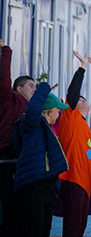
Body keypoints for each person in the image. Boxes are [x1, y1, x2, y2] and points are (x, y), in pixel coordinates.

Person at [57, 51, 91, 237]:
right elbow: (73, 92)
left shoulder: (86, 127)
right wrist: (83, 67)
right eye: (80, 99)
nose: (83, 99)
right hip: (72, 179)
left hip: (86, 183)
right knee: (73, 224)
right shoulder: (69, 116)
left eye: (84, 99)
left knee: (81, 224)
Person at [13, 82, 68, 237]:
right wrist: (44, 87)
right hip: (34, 187)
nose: (59, 114)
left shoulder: (48, 130)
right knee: (34, 230)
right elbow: (33, 110)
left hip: (48, 187)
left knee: (44, 230)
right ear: (49, 112)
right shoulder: (32, 125)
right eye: (57, 110)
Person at [0, 39, 34, 235]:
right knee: (7, 206)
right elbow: (4, 78)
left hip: (23, 163)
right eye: (31, 86)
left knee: (21, 209)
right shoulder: (8, 98)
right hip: (5, 159)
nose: (34, 89)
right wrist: (6, 51)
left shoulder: (32, 108)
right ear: (19, 88)